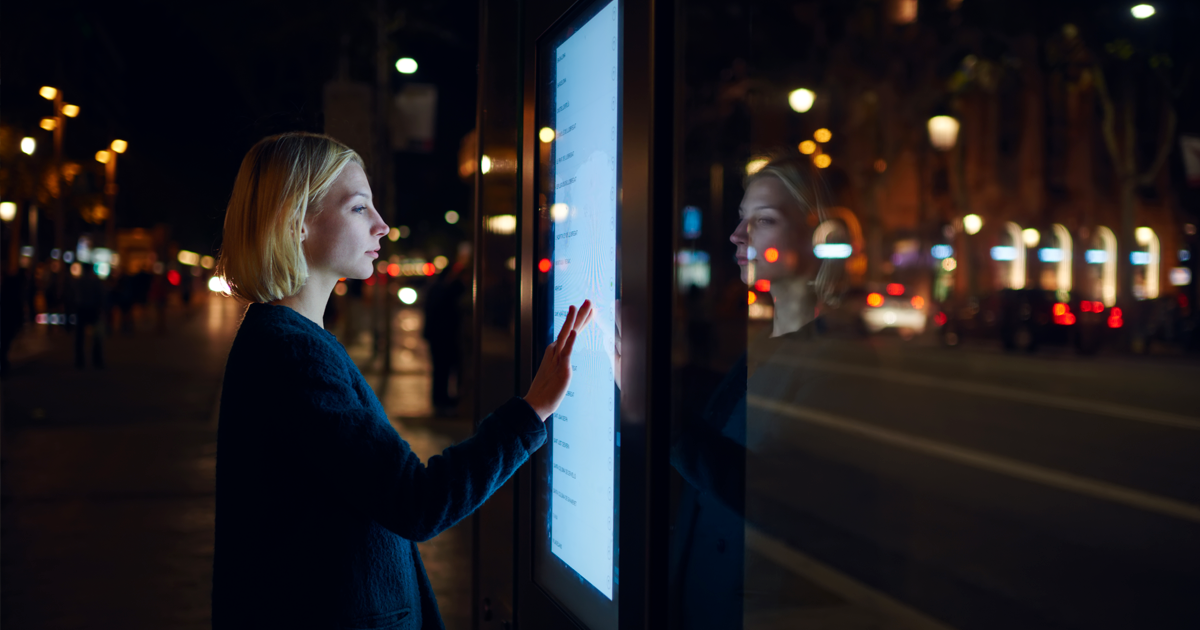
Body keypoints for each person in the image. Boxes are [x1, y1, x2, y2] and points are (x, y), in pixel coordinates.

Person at [210, 132, 594, 630]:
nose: (382, 226)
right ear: (295, 222)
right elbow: (417, 501)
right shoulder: (293, 353)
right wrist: (532, 409)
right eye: (358, 209)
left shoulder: (283, 339)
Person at [664, 153, 843, 629]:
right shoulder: (767, 346)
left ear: (819, 238)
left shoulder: (831, 361)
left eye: (762, 220)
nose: (737, 236)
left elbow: (775, 494)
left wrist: (660, 412)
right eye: (742, 219)